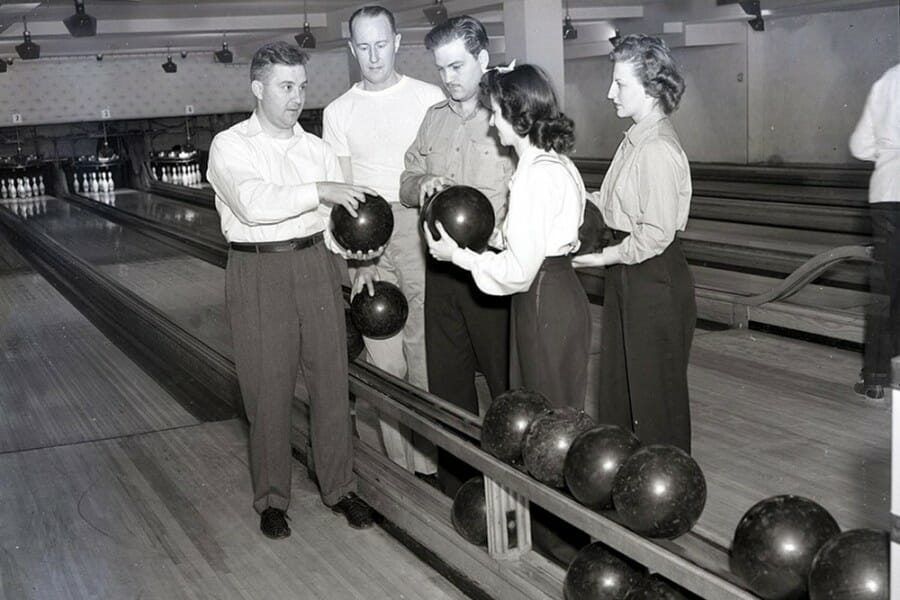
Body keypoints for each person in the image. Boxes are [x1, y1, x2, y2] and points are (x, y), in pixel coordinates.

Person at [206, 41, 375, 539]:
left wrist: (357, 263)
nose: (297, 97)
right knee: (268, 392)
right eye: (286, 87)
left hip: (316, 266)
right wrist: (321, 189)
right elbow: (254, 203)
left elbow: (333, 222)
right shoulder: (231, 144)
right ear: (258, 88)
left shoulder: (316, 148)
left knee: (331, 384)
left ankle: (341, 489)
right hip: (259, 271)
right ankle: (272, 499)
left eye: (302, 87)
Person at [323, 5, 444, 481]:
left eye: (381, 44)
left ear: (396, 42)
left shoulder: (428, 98)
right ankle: (402, 467)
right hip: (368, 238)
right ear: (352, 49)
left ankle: (434, 463)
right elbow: (344, 189)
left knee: (424, 353)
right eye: (363, 47)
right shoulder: (339, 112)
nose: (373, 56)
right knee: (385, 357)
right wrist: (358, 262)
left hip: (421, 230)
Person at [424, 63, 590, 409]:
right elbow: (549, 233)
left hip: (543, 298)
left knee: (544, 414)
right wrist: (497, 239)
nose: (491, 121)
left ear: (519, 117)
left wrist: (459, 256)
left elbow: (518, 272)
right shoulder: (555, 162)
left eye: (496, 112)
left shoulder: (535, 176)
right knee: (555, 409)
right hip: (559, 292)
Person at [400, 15, 515, 496]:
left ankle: (517, 488)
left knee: (506, 386)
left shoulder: (508, 115)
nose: (448, 78)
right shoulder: (433, 119)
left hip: (492, 270)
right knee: (448, 386)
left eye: (457, 66)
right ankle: (460, 490)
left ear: (483, 60)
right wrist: (420, 184)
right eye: (441, 68)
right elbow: (405, 181)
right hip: (442, 271)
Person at [573, 34, 696, 453]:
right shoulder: (635, 140)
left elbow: (656, 235)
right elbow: (607, 204)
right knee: (623, 390)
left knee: (655, 401)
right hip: (632, 273)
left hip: (654, 277)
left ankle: (665, 496)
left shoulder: (657, 149)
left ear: (652, 88)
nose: (610, 93)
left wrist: (601, 256)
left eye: (620, 84)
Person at [849, 62, 900, 401]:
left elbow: (859, 146)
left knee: (887, 292)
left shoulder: (887, 79)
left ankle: (877, 378)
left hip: (886, 194)